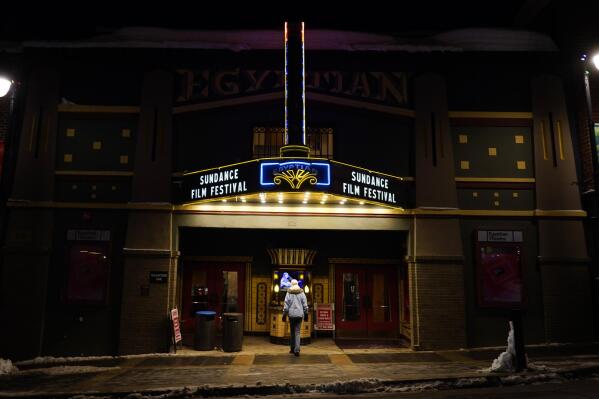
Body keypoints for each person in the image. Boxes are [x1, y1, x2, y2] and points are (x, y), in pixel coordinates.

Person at [282, 279, 308, 356]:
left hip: (291, 315)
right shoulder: (301, 292)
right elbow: (305, 305)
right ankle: (297, 350)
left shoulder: (289, 292)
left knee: (292, 332)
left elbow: (286, 306)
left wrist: (284, 314)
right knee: (297, 332)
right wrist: (306, 314)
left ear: (291, 284)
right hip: (299, 315)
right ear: (297, 284)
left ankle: (292, 348)